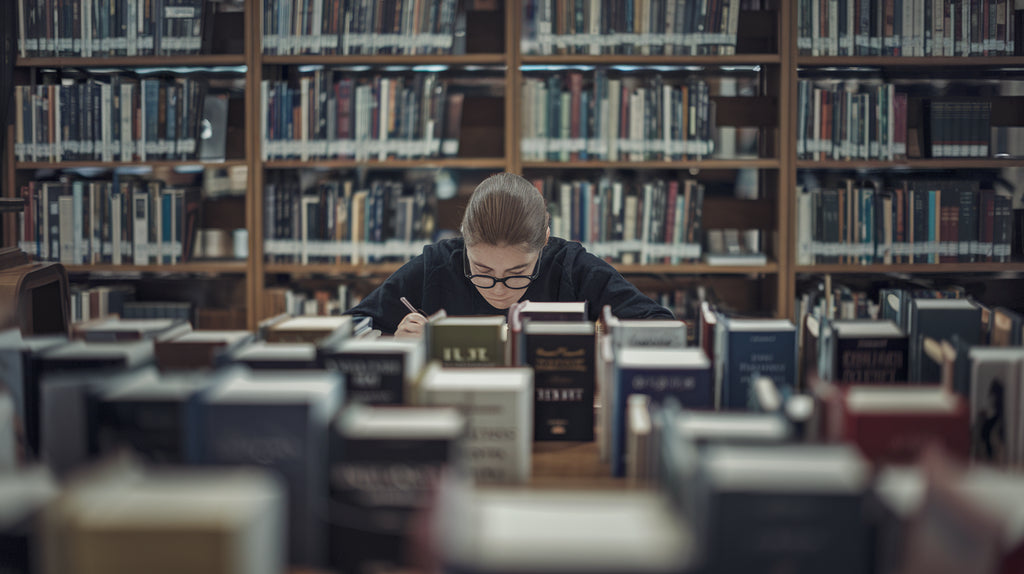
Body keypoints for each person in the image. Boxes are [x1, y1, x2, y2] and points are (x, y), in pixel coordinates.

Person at [345, 172, 674, 337]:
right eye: (482, 271)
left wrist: (601, 348)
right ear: (463, 243)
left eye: (518, 273)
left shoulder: (572, 267)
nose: (499, 288)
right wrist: (393, 344)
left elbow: (662, 329)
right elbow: (348, 329)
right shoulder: (437, 264)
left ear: (544, 242)